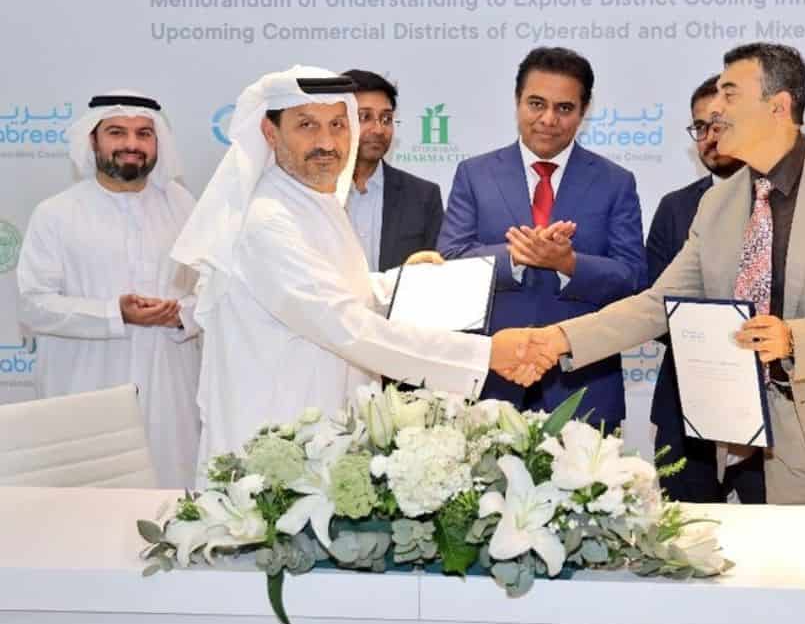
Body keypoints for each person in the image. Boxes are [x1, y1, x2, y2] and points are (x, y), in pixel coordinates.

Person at [530, 43, 805, 505]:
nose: (715, 108)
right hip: (772, 452)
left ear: (778, 107)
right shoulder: (717, 203)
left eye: (730, 93)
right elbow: (658, 305)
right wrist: (555, 340)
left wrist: (796, 339)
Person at [171, 66, 549, 476]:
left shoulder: (313, 200)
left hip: (319, 429)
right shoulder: (267, 219)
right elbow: (345, 325)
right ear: (269, 132)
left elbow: (338, 290)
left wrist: (403, 281)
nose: (326, 142)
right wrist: (486, 354)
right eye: (307, 125)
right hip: (275, 440)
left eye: (337, 124)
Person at [437, 47, 646, 431]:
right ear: (517, 102)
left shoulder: (616, 182)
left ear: (584, 111)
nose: (549, 119)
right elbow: (449, 260)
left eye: (564, 108)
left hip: (583, 384)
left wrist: (568, 264)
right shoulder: (475, 174)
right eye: (536, 104)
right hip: (490, 383)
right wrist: (515, 256)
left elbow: (633, 278)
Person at [17, 91, 201, 486]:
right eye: (117, 132)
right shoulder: (56, 214)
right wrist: (114, 313)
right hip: (85, 383)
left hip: (169, 385)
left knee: (171, 490)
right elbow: (34, 305)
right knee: (87, 496)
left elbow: (215, 293)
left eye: (144, 134)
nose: (131, 144)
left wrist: (179, 314)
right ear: (93, 140)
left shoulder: (185, 208)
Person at [645, 74, 760, 503]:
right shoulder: (675, 207)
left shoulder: (783, 201)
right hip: (684, 401)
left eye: (719, 124)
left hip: (772, 407)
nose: (710, 137)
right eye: (700, 127)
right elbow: (654, 307)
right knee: (684, 534)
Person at [341, 68, 444, 273]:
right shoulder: (314, 192)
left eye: (386, 119)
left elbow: (436, 273)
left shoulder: (423, 196)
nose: (379, 129)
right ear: (337, 123)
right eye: (365, 117)